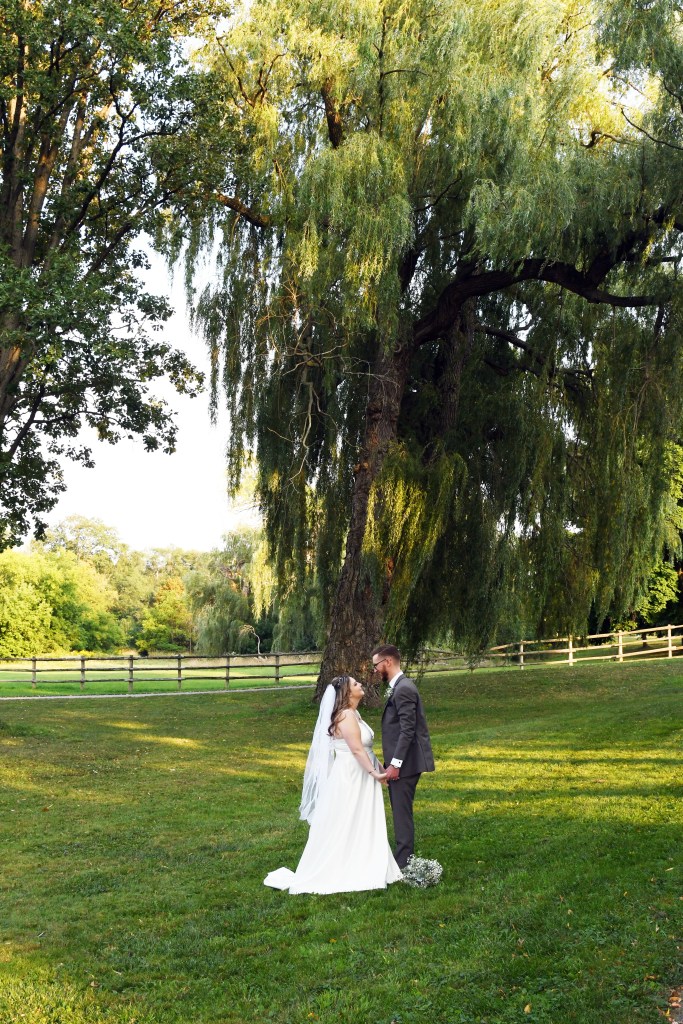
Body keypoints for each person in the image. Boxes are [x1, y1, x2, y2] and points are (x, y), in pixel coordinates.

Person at [263, 675, 403, 894]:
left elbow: (366, 750)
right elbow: (356, 749)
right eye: (355, 684)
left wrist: (380, 769)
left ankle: (365, 858)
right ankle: (347, 864)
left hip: (361, 769)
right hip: (352, 774)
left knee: (361, 816)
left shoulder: (354, 713)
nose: (360, 685)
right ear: (347, 693)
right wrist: (374, 773)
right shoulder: (345, 715)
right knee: (350, 816)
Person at [372, 644, 435, 868]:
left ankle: (404, 862)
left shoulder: (403, 689)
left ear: (388, 662)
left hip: (406, 764)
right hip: (402, 762)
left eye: (376, 665)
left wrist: (395, 764)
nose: (375, 670)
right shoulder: (399, 686)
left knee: (401, 812)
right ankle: (403, 858)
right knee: (401, 810)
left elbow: (408, 730)